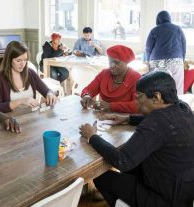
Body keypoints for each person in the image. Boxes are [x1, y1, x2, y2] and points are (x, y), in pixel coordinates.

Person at [79, 71, 194, 207]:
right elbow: (165, 126)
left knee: (99, 176)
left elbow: (121, 160)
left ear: (156, 97)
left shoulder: (155, 122)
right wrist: (128, 118)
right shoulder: (182, 107)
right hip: (184, 189)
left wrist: (92, 136)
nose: (136, 100)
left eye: (139, 96)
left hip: (165, 198)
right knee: (134, 164)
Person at [0, 41, 58, 113]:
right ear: (9, 60)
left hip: (30, 118)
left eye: (25, 60)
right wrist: (21, 101)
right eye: (18, 61)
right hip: (11, 121)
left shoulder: (30, 73)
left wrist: (50, 94)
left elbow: (46, 90)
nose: (23, 64)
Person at [80, 45, 141, 113]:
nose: (111, 65)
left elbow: (138, 105)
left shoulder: (136, 79)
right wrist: (86, 95)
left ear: (126, 62)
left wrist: (111, 106)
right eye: (110, 61)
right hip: (104, 116)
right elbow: (88, 89)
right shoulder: (104, 74)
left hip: (126, 118)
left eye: (116, 62)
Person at [146, 10, 186, 95]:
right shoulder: (178, 28)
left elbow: (148, 48)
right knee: (177, 85)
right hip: (175, 61)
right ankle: (178, 106)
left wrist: (148, 61)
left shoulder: (154, 30)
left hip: (157, 62)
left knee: (157, 86)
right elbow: (183, 46)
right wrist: (182, 59)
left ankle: (158, 105)